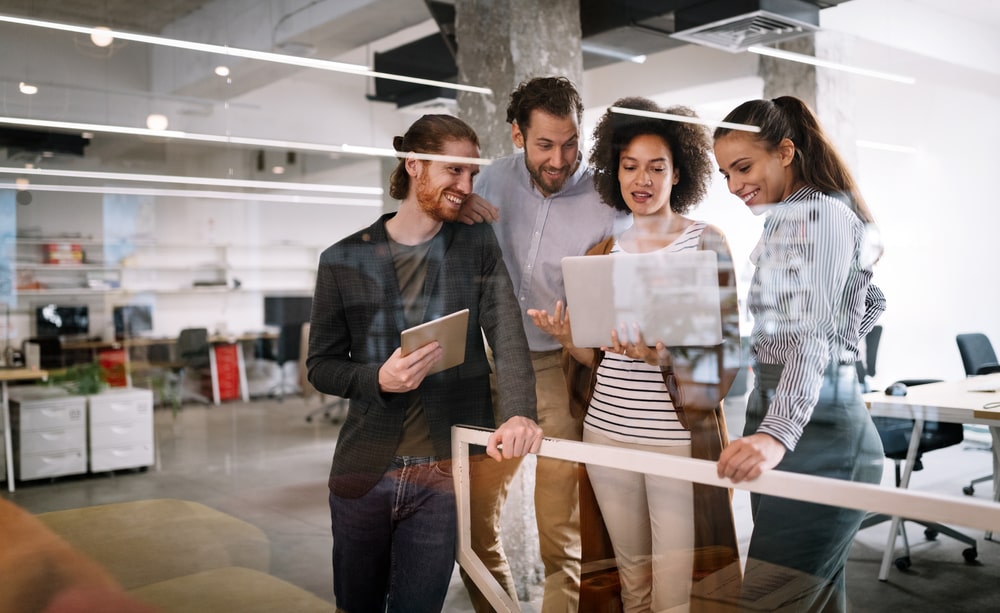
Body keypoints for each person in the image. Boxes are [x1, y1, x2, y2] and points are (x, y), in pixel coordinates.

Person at [307, 114, 544, 613]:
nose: (465, 185)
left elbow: (506, 331)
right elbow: (321, 365)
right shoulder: (342, 260)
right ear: (414, 165)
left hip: (446, 470)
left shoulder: (475, 244)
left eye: (472, 175)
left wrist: (520, 411)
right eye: (453, 171)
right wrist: (377, 378)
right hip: (365, 470)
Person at [529, 98, 742, 612]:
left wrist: (660, 357)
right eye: (629, 166)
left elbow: (727, 351)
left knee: (675, 591)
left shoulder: (704, 243)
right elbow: (595, 360)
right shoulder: (604, 250)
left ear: (678, 174)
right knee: (630, 582)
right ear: (615, 172)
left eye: (656, 167)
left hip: (674, 440)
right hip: (606, 433)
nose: (640, 179)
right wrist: (566, 338)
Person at [458, 75, 630, 613]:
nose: (561, 159)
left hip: (563, 367)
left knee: (561, 527)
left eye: (571, 142)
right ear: (516, 135)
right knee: (470, 516)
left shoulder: (606, 198)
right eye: (545, 145)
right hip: (495, 361)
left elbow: (626, 286)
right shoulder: (489, 183)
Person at [712, 96, 886, 612]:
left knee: (768, 601)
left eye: (743, 167)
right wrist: (844, 341)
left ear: (785, 151)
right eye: (725, 173)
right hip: (788, 416)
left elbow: (809, 333)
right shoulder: (788, 220)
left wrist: (775, 432)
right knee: (813, 602)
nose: (735, 186)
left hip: (820, 437)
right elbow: (870, 299)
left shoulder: (821, 216)